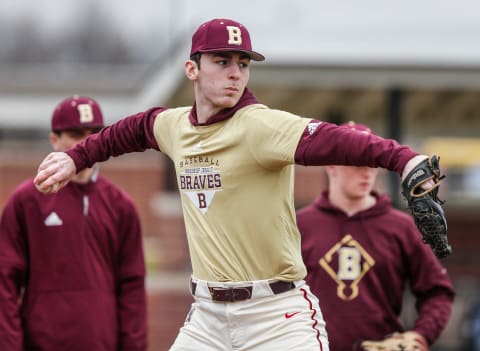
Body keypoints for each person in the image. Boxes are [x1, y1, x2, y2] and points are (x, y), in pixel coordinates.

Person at [33, 18, 440, 351]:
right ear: (192, 68)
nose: (235, 73)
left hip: (276, 318)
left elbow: (338, 140)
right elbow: (132, 129)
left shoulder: (260, 125)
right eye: (222, 61)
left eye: (242, 63)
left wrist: (403, 160)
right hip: (207, 318)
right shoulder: (175, 126)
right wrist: (76, 156)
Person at [0, 96, 147, 351]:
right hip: (41, 343)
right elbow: (5, 280)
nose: (86, 141)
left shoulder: (121, 206)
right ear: (54, 139)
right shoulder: (25, 201)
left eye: (93, 133)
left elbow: (132, 287)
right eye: (76, 134)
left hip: (103, 343)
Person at [297, 122, 455, 351]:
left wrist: (420, 336)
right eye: (357, 163)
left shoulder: (400, 226)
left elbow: (437, 292)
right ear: (331, 165)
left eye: (373, 164)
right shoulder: (299, 225)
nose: (367, 172)